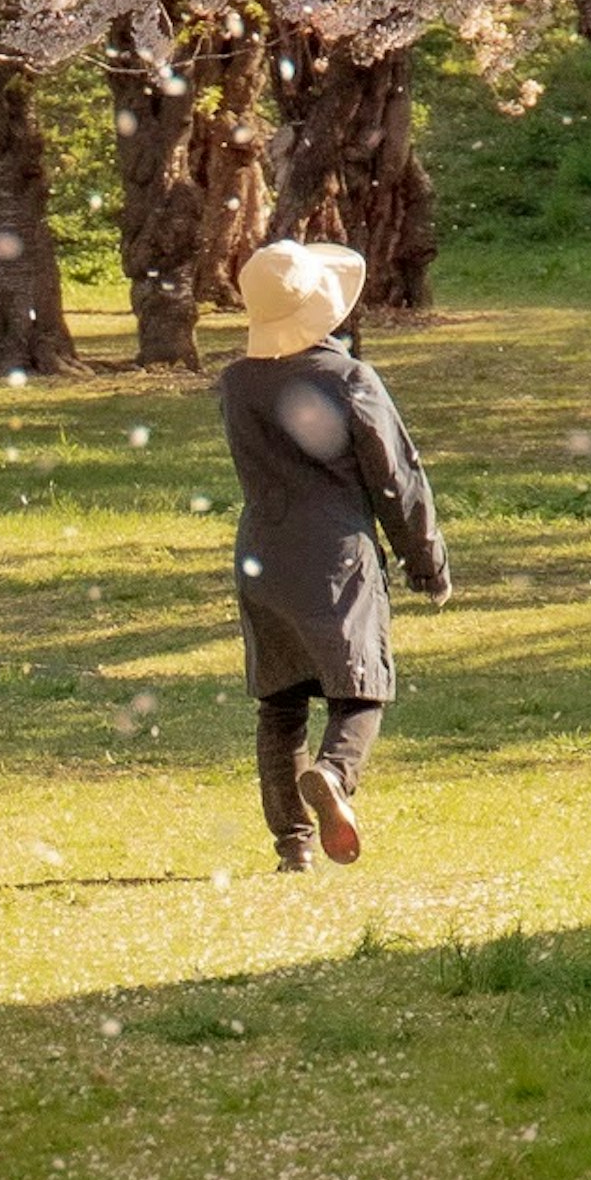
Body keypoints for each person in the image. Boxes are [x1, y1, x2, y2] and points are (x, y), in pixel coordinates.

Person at [219, 236, 446, 870]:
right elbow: (396, 478)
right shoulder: (349, 379)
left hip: (262, 553)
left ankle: (293, 846)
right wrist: (426, 563)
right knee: (361, 692)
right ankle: (335, 775)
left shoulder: (236, 385)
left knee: (280, 702)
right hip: (337, 552)